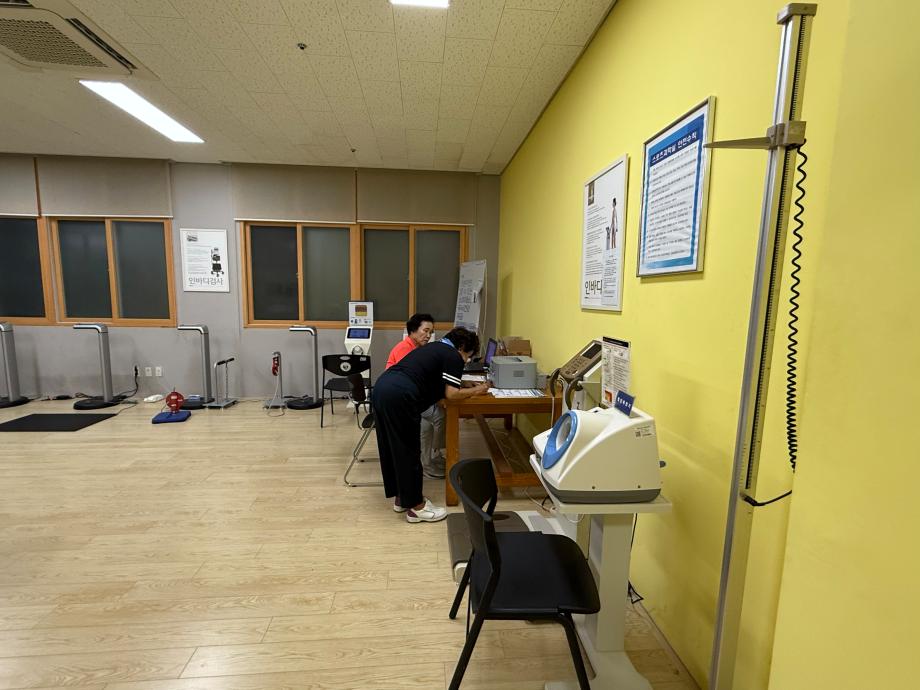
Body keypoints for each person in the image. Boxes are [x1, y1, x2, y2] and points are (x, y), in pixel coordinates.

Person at [373, 327, 489, 523]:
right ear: (461, 347)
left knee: (393, 448)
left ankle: (402, 498)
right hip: (401, 396)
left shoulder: (435, 348)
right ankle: (417, 508)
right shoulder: (453, 355)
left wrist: (463, 384)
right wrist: (479, 390)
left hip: (383, 388)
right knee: (409, 450)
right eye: (468, 355)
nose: (467, 360)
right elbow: (451, 394)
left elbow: (436, 378)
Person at [385, 313, 447, 479]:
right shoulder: (405, 349)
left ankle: (430, 459)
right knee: (439, 415)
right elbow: (414, 380)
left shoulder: (416, 348)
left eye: (431, 332)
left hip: (406, 397)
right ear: (413, 330)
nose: (428, 335)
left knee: (428, 423)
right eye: (425, 331)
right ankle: (433, 456)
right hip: (397, 401)